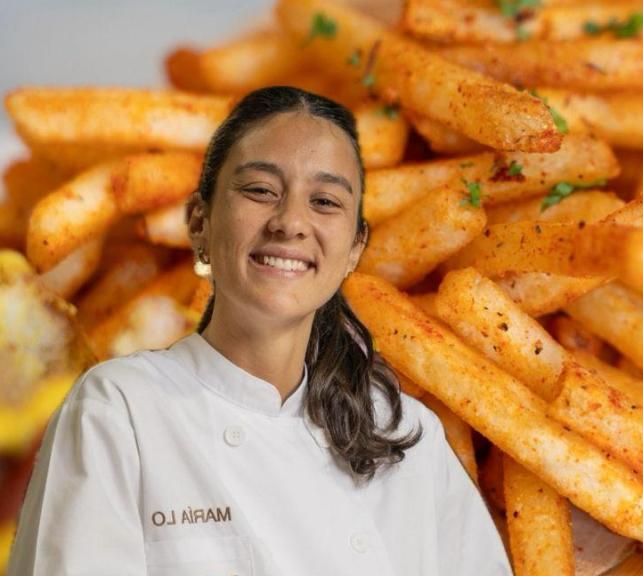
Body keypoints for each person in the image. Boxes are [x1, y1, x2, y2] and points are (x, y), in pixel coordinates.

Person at [8, 86, 512, 575]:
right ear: (200, 223)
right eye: (260, 191)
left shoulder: (408, 434)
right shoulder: (118, 410)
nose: (290, 222)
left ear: (355, 248)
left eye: (326, 201)